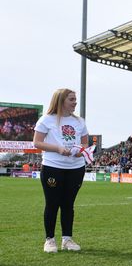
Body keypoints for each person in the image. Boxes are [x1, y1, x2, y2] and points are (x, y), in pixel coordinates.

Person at [33, 88, 88, 253]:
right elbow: (37, 142)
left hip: (76, 168)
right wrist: (57, 148)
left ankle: (67, 239)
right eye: (71, 99)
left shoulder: (80, 122)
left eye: (75, 99)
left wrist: (81, 151)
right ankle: (49, 240)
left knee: (68, 205)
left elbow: (85, 143)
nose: (75, 102)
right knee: (52, 204)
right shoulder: (46, 120)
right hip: (53, 167)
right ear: (61, 100)